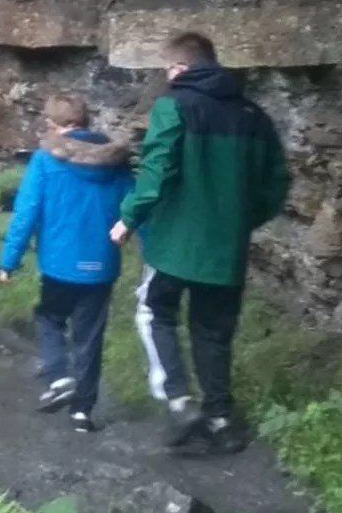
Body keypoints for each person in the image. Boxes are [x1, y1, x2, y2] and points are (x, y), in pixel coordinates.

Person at [110, 32, 290, 454]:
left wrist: (127, 219)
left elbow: (156, 172)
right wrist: (240, 222)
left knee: (153, 312)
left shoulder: (174, 106)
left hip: (175, 244)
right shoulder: (254, 115)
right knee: (214, 332)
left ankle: (178, 400)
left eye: (167, 70)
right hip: (226, 251)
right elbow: (277, 184)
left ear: (180, 69)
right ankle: (222, 420)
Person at [0, 92, 134, 433]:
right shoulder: (115, 161)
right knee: (89, 337)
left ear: (64, 126)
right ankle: (82, 413)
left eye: (49, 124)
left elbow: (26, 212)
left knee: (49, 317)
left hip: (59, 265)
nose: (48, 130)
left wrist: (8, 261)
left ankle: (59, 377)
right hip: (101, 267)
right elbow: (136, 208)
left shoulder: (46, 160)